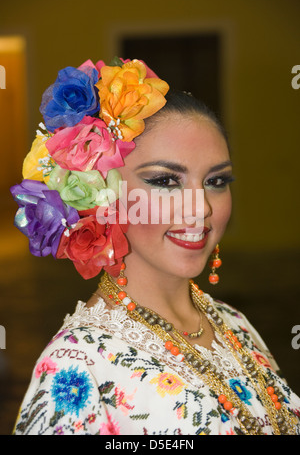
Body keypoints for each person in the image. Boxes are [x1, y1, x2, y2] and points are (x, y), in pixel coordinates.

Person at [11, 57, 300, 436]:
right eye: (165, 181)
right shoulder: (78, 366)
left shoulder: (234, 324)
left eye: (216, 180)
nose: (201, 208)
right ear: (103, 193)